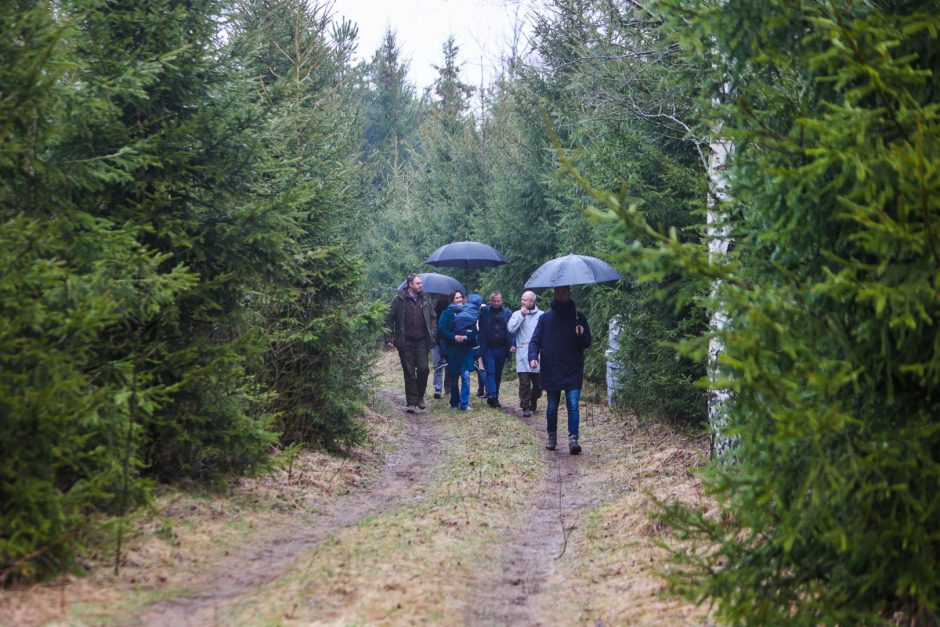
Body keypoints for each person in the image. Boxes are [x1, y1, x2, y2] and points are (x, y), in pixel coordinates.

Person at [528, 285, 592, 454]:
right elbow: (535, 341)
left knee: (573, 405)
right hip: (552, 367)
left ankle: (573, 440)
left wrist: (581, 334)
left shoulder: (579, 317)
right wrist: (533, 357)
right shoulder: (545, 319)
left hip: (573, 368)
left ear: (569, 293)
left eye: (564, 291)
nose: (561, 294)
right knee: (551, 407)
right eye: (558, 291)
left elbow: (587, 343)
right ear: (555, 294)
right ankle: (552, 436)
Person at [385, 273, 437, 413]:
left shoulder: (426, 298)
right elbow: (389, 319)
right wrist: (389, 338)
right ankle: (411, 403)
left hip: (422, 341)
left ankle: (420, 397)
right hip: (405, 341)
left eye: (421, 283)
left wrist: (432, 333)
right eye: (418, 283)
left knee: (423, 369)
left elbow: (433, 317)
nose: (421, 285)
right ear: (410, 285)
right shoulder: (399, 299)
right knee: (409, 372)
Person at [439, 293, 481, 410]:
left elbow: (474, 333)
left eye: (460, 297)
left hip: (466, 349)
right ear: (452, 300)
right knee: (454, 376)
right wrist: (454, 337)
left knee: (466, 375)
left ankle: (464, 403)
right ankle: (454, 403)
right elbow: (442, 330)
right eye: (456, 298)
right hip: (453, 349)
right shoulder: (446, 313)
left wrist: (466, 337)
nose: (459, 300)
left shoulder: (470, 313)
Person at [507, 290, 543, 417]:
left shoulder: (542, 315)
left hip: (537, 355)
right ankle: (525, 406)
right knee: (524, 383)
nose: (522, 301)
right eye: (522, 299)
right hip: (522, 353)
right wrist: (522, 316)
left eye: (525, 299)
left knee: (538, 386)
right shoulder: (517, 314)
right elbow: (511, 329)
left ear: (532, 301)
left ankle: (534, 398)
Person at [478, 291, 513, 407]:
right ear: (490, 301)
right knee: (490, 371)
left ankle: (495, 395)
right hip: (488, 348)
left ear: (502, 300)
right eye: (494, 301)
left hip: (502, 348)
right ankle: (492, 396)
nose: (496, 303)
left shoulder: (507, 313)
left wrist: (513, 344)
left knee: (498, 373)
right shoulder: (483, 312)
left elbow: (512, 330)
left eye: (498, 301)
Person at [432, 295, 450, 399]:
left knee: (448, 366)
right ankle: (438, 388)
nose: (442, 298)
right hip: (436, 341)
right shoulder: (433, 309)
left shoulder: (450, 311)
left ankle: (448, 388)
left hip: (448, 341)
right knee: (437, 365)